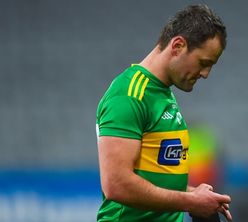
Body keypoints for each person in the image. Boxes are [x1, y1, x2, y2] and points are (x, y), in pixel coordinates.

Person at [95, 4, 231, 222]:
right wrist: (190, 201)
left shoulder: (162, 93)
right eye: (204, 63)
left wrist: (194, 194)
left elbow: (155, 181)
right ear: (177, 46)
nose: (205, 74)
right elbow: (116, 185)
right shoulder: (129, 94)